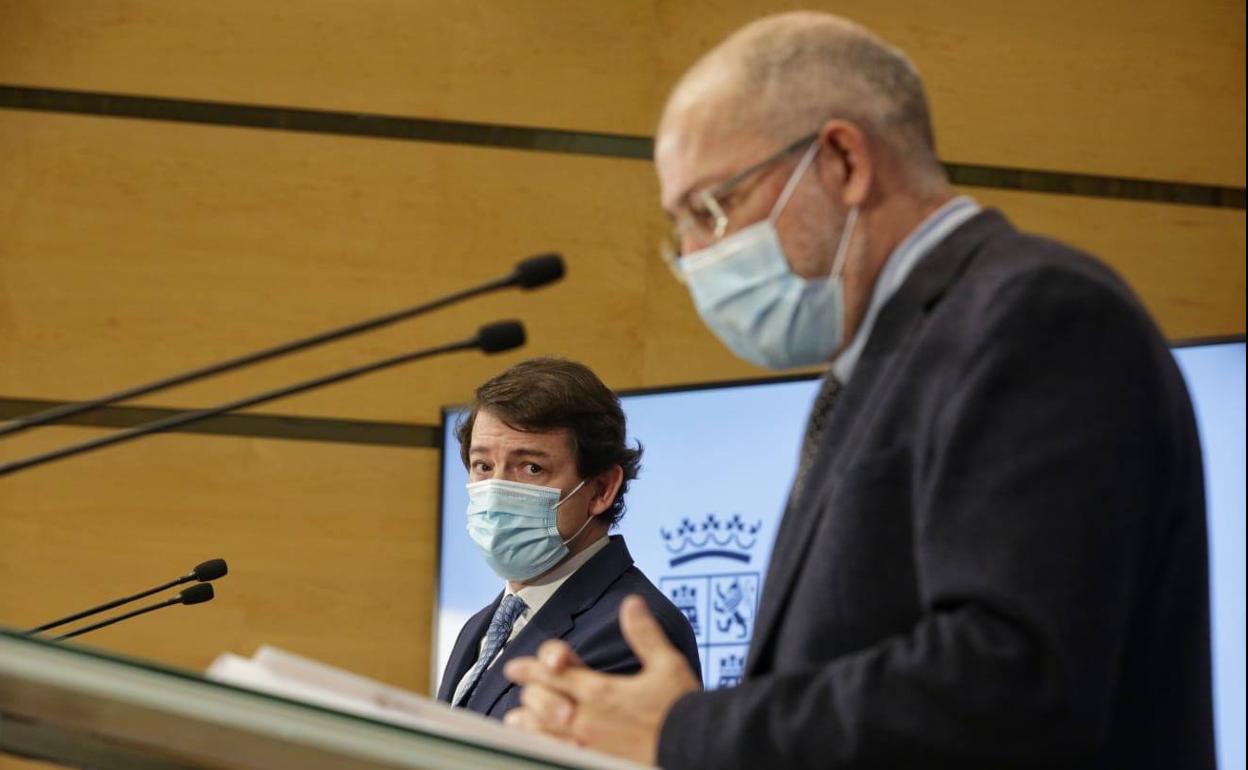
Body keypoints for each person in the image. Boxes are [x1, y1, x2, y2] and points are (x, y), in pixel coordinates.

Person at [502, 11, 1214, 768]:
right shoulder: (876, 365)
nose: (692, 258)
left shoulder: (1039, 317)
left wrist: (689, 733)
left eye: (711, 209)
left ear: (842, 160)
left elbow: (1010, 686)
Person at [436, 357, 700, 719]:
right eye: (483, 466)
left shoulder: (630, 631)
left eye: (531, 467)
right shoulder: (480, 625)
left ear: (602, 489)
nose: (497, 489)